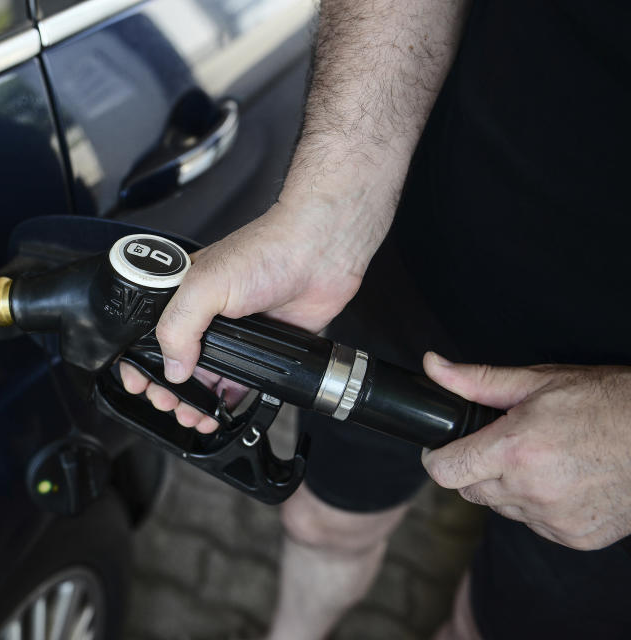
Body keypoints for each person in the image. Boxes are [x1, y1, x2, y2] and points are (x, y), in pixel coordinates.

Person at [119, 0, 631, 637]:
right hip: (421, 264)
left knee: (490, 625)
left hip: (614, 442)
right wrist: (330, 208)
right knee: (321, 523)